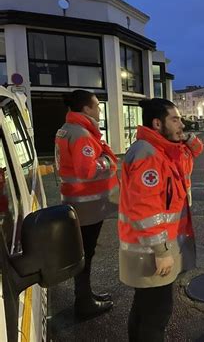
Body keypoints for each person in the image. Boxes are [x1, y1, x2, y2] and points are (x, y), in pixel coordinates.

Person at [118, 98, 196, 342]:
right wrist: (161, 250)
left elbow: (190, 157)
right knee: (156, 316)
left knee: (143, 308)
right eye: (175, 119)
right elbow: (145, 210)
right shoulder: (149, 155)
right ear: (157, 123)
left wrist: (188, 141)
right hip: (150, 250)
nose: (180, 124)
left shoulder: (157, 149)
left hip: (148, 247)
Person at [55, 90, 118, 318]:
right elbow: (87, 170)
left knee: (84, 253)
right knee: (85, 254)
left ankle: (86, 296)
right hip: (87, 206)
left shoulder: (68, 130)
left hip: (78, 202)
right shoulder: (81, 134)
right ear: (86, 109)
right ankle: (84, 302)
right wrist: (107, 160)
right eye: (97, 106)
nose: (99, 110)